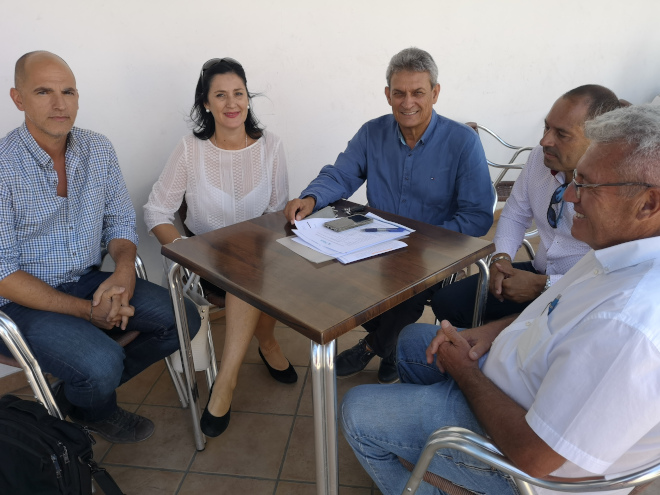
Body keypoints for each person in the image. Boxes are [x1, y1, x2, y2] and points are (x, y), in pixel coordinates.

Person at [341, 103, 660, 495]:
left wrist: (465, 372)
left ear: (649, 203)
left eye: (587, 186)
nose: (570, 196)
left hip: (520, 459)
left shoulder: (630, 324)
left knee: (356, 411)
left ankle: (434, 469)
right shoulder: (619, 251)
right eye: (576, 180)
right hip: (515, 381)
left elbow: (534, 458)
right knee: (410, 344)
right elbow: (558, 308)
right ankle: (421, 451)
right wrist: (492, 332)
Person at [0, 51, 201, 443]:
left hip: (89, 280)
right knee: (101, 361)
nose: (59, 104)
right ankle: (97, 401)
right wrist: (88, 313)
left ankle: (80, 398)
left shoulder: (98, 149)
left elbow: (120, 223)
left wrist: (123, 274)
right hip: (21, 303)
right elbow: (3, 275)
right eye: (43, 92)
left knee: (183, 318)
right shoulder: (3, 167)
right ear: (18, 98)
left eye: (68, 91)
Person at [284, 47, 494, 384]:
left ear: (435, 93)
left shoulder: (463, 142)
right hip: (375, 240)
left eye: (418, 92)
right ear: (387, 95)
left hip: (432, 250)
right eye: (399, 93)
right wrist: (311, 197)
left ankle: (371, 346)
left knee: (408, 290)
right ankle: (392, 348)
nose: (407, 102)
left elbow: (478, 216)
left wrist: (422, 242)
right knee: (330, 273)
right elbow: (341, 174)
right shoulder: (372, 133)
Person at [143, 57, 296, 438]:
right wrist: (186, 251)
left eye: (239, 93)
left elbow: (277, 212)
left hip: (262, 256)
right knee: (246, 275)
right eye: (221, 95)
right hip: (207, 262)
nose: (232, 103)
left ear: (248, 98)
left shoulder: (271, 147)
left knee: (261, 269)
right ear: (206, 103)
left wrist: (264, 249)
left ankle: (262, 344)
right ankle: (230, 378)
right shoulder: (190, 150)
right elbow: (156, 210)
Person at [431, 85, 621, 328]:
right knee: (447, 302)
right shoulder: (539, 159)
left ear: (600, 140)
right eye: (546, 127)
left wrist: (544, 286)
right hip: (539, 272)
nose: (545, 140)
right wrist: (501, 258)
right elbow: (514, 215)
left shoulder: (617, 191)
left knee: (531, 331)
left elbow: (612, 276)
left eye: (562, 134)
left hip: (583, 295)